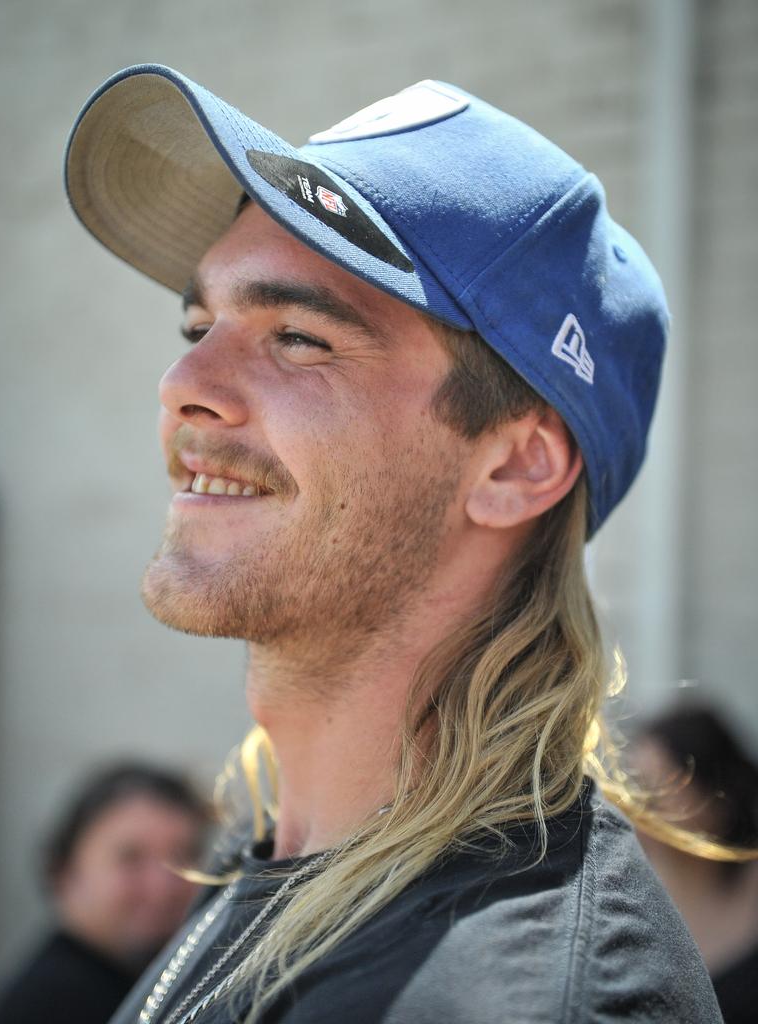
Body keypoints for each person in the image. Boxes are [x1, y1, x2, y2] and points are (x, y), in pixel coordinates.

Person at [62, 68, 730, 1023]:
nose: (183, 380)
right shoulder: (278, 856)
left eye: (299, 336)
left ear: (516, 468)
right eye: (201, 323)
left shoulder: (521, 997)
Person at [0, 762, 210, 1024]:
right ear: (64, 873)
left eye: (184, 856)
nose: (163, 886)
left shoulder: (143, 987)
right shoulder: (57, 1003)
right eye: (131, 858)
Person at [629, 704, 758, 1024]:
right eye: (631, 792)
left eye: (653, 796)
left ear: (717, 799)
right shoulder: (627, 906)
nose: (636, 813)